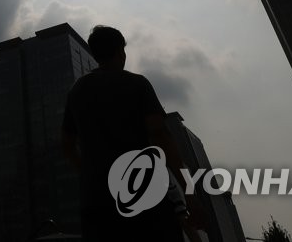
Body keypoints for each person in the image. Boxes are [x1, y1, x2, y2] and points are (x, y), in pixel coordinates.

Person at [62, 25, 203, 242]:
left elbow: (67, 145)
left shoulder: (77, 91)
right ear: (120, 52)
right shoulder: (137, 83)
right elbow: (160, 136)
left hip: (97, 204)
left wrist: (90, 175)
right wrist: (189, 192)